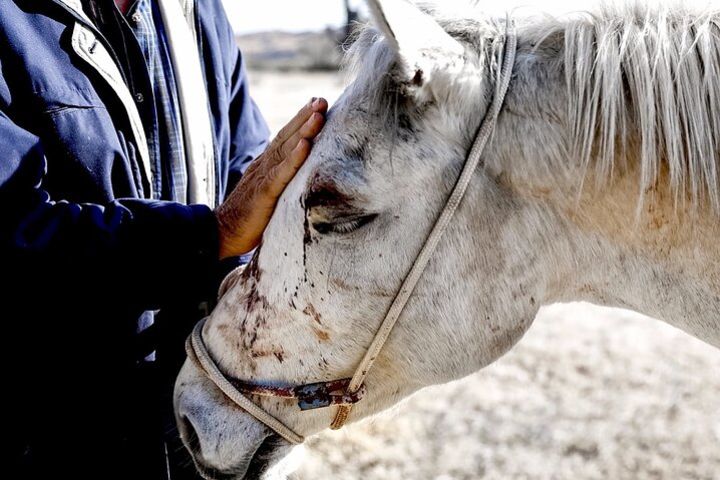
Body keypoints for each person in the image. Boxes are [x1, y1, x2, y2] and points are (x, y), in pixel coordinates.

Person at [0, 0, 327, 478]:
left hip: (195, 415)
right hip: (53, 435)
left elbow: (244, 160)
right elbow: (15, 233)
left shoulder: (195, 10)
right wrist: (210, 236)